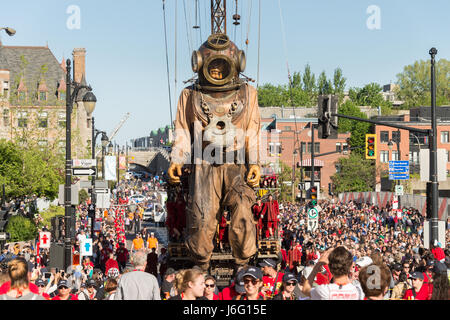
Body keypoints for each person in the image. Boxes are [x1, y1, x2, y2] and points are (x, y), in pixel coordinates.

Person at [167, 33, 261, 271]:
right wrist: (177, 159)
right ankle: (201, 265)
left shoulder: (248, 94)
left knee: (242, 208)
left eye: (222, 66)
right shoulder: (190, 95)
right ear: (200, 64)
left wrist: (255, 163)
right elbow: (182, 131)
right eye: (213, 66)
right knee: (202, 215)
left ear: (235, 64)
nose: (217, 71)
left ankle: (243, 265)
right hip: (203, 163)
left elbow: (253, 131)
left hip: (236, 162)